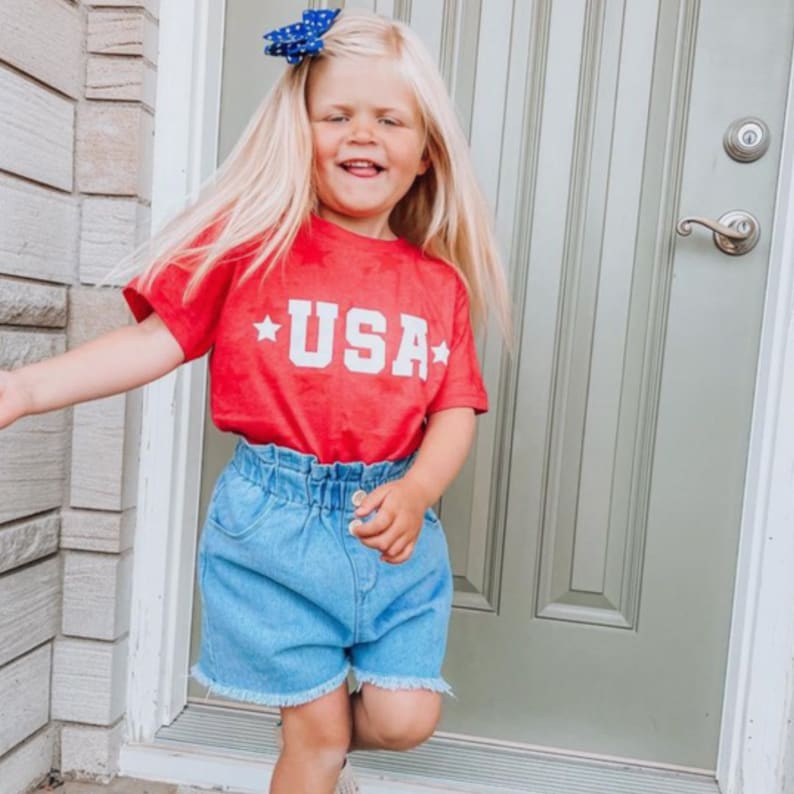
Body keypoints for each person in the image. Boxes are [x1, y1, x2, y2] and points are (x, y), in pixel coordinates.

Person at [0, 8, 511, 794]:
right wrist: (26, 387)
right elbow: (151, 343)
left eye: (388, 120)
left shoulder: (437, 285)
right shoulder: (253, 247)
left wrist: (419, 488)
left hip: (389, 535)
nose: (362, 135)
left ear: (425, 155)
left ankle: (321, 729)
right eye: (336, 116)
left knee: (406, 720)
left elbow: (454, 409)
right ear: (296, 135)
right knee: (315, 744)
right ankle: (314, 738)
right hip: (271, 528)